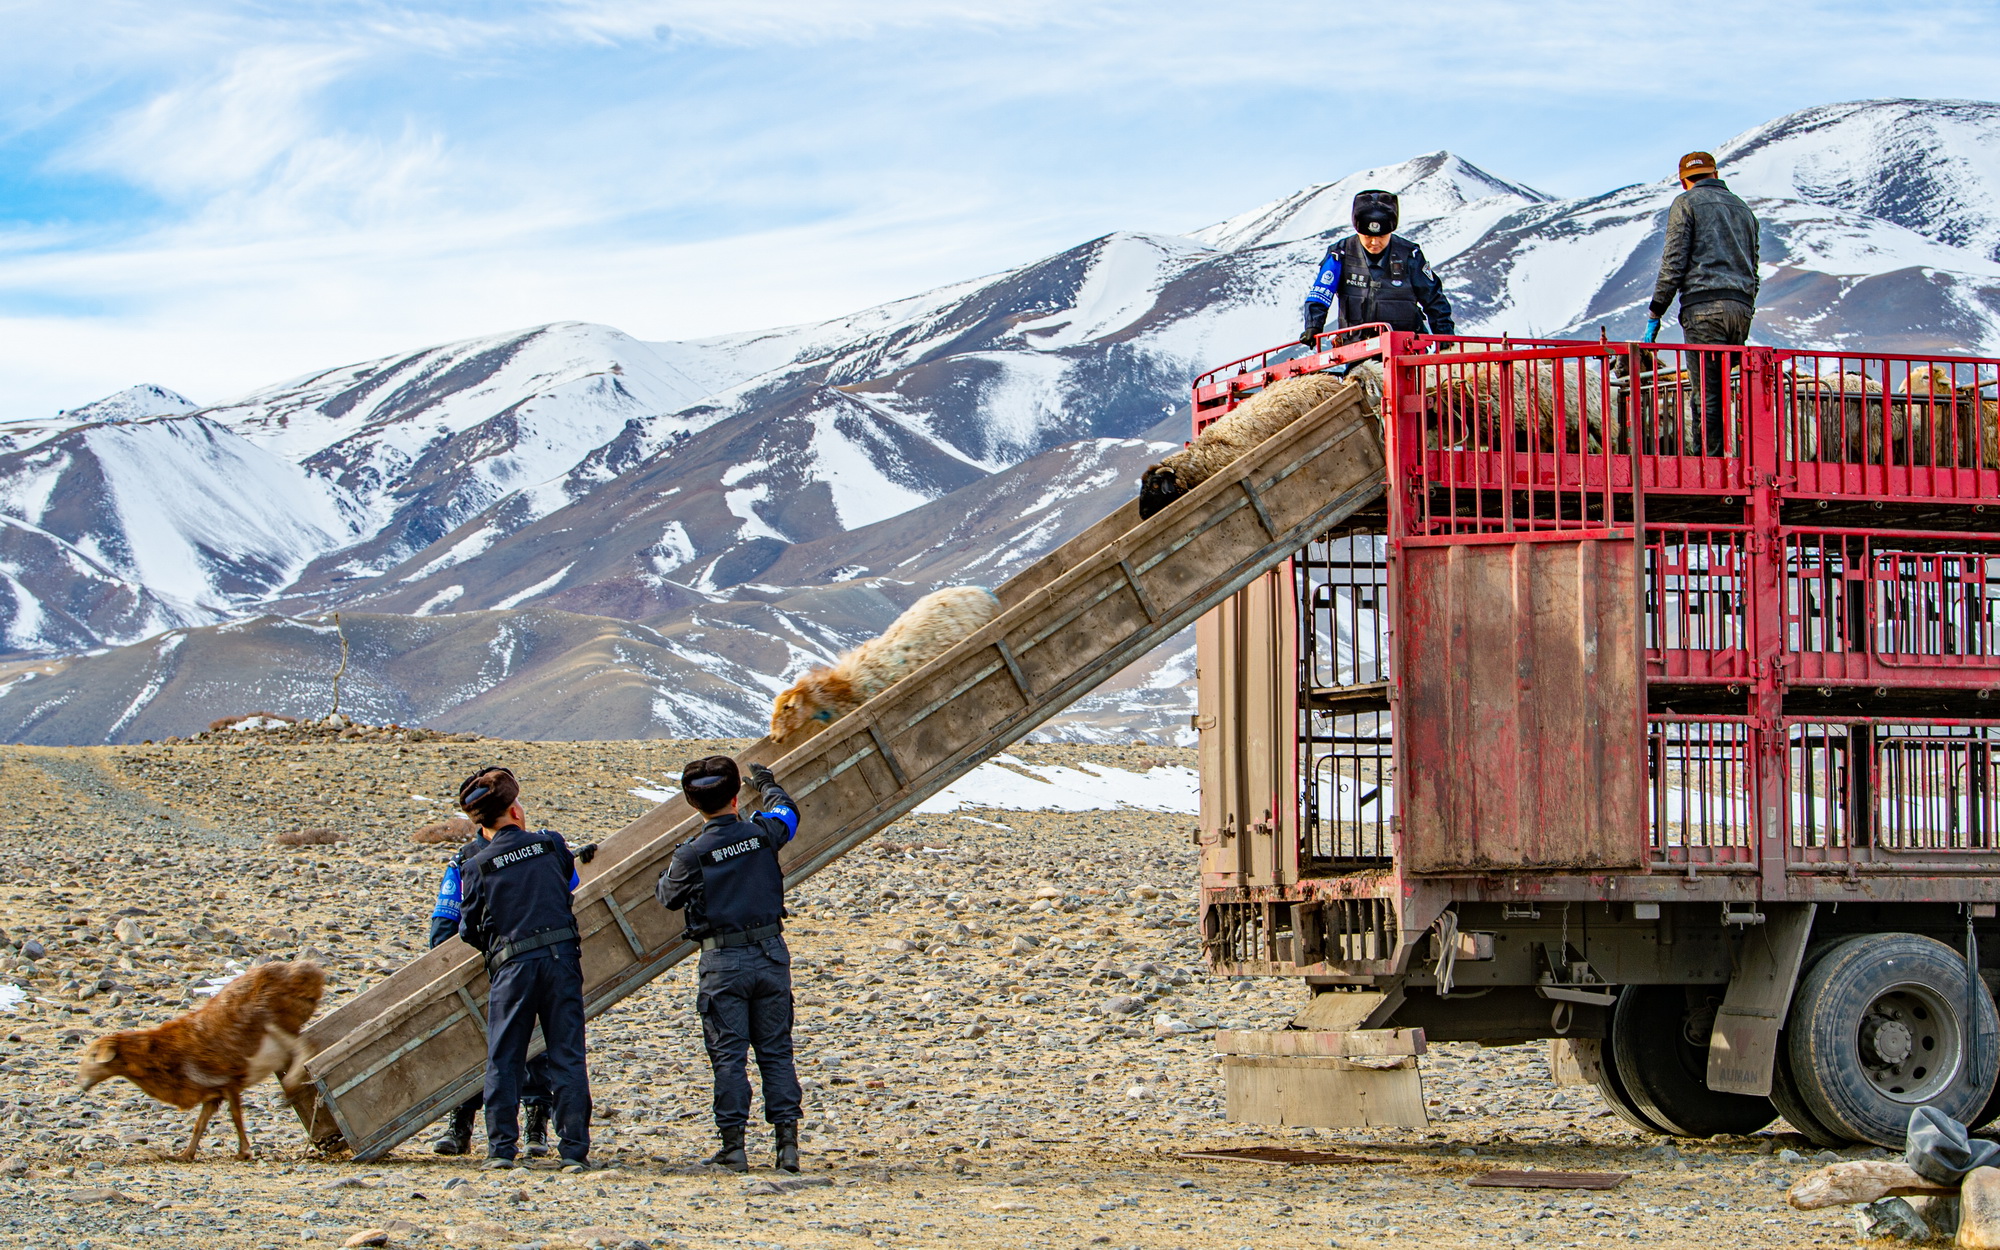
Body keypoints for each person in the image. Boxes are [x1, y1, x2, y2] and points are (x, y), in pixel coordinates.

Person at [656, 757, 804, 1173]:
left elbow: (666, 896)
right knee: (776, 1052)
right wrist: (769, 785)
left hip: (723, 960)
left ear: (693, 804)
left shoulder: (692, 854)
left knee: (728, 1056)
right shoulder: (761, 832)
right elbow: (788, 812)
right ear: (736, 797)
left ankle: (733, 1147)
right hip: (771, 953)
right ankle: (787, 1149)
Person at [454, 766, 595, 1170]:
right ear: (515, 810)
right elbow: (569, 884)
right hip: (562, 961)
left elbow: (468, 928)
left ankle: (501, 1150)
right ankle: (573, 1151)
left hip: (512, 966)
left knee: (505, 1057)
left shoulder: (476, 865)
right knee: (567, 1055)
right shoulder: (550, 845)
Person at [427, 837, 558, 1159]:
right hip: (483, 959)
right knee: (471, 1041)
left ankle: (535, 1121)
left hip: (521, 958)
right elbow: (446, 920)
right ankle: (462, 1122)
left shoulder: (535, 848)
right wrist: (448, 964)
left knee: (531, 1042)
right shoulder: (466, 859)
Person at [1646, 151, 1761, 456]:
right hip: (1740, 309)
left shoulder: (1686, 204)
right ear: (1716, 173)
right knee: (1727, 387)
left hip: (1703, 310)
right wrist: (1745, 302)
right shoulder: (1744, 209)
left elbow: (1674, 262)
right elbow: (1755, 266)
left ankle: (1709, 465)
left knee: (1707, 393)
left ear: (1684, 180)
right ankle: (1739, 457)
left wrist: (1656, 311)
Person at [1299, 188, 1455, 347]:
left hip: (1405, 349)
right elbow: (1321, 292)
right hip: (1357, 349)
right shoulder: (1340, 254)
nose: (1375, 243)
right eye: (1368, 237)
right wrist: (1313, 326)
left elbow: (1434, 299)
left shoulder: (1410, 255)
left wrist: (1445, 337)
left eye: (1381, 236)